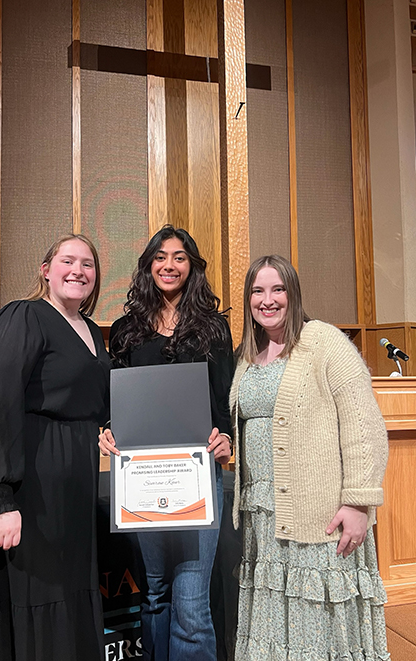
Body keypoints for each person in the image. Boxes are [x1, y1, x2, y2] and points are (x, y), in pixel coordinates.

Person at [0, 235, 111, 661]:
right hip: (29, 483)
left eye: (88, 264)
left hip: (72, 486)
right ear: (46, 270)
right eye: (68, 261)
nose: (78, 270)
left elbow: (93, 401)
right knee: (32, 588)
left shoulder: (93, 331)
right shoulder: (24, 317)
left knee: (65, 586)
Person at [231, 254, 390, 660]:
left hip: (317, 514)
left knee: (316, 626)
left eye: (277, 289)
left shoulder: (324, 342)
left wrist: (358, 502)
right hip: (263, 518)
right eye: (257, 291)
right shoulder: (248, 356)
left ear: (293, 294)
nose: (268, 300)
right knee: (276, 623)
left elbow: (364, 424)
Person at [99, 225, 233, 661]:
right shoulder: (125, 331)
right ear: (148, 265)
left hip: (197, 480)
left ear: (191, 265)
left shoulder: (213, 329)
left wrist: (226, 439)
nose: (169, 265)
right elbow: (111, 402)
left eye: (179, 257)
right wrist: (105, 429)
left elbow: (224, 404)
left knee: (191, 601)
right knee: (155, 592)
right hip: (140, 480)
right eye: (160, 256)